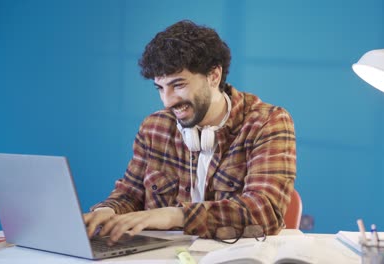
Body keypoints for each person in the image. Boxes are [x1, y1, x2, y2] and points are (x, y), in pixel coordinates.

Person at [84, 20, 296, 245]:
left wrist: (175, 216)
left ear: (214, 76)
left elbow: (265, 211)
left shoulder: (267, 122)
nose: (167, 101)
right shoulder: (154, 127)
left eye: (178, 85)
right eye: (160, 88)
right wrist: (107, 211)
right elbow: (130, 194)